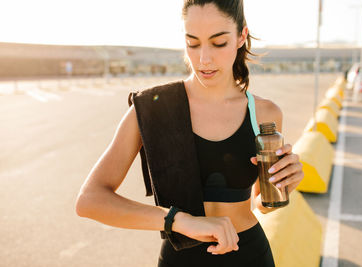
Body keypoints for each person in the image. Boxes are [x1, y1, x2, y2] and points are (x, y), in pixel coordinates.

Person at [75, 0, 304, 266]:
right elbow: (89, 200)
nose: (204, 59)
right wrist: (179, 221)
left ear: (241, 36)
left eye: (218, 43)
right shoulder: (154, 107)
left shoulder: (265, 114)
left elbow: (260, 204)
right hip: (180, 259)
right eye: (193, 43)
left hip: (251, 255)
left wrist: (283, 184)